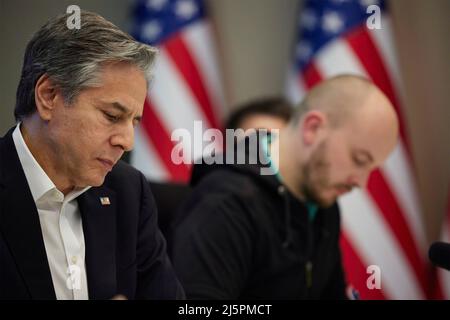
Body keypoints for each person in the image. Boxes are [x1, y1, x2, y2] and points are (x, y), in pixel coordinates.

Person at [0, 10, 184, 300]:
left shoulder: (129, 192)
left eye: (134, 121)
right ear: (49, 96)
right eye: (112, 116)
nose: (128, 142)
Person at [168, 74, 399, 299]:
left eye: (372, 169)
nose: (361, 182)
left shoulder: (322, 204)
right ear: (313, 128)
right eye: (359, 160)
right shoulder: (226, 203)